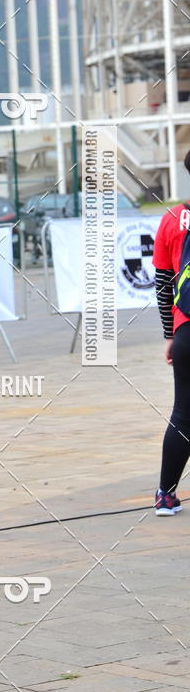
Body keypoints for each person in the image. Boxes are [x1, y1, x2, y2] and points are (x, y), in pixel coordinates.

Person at [153, 148, 190, 515]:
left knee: (184, 414)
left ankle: (166, 493)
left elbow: (163, 283)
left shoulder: (173, 219)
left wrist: (170, 334)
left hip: (186, 331)